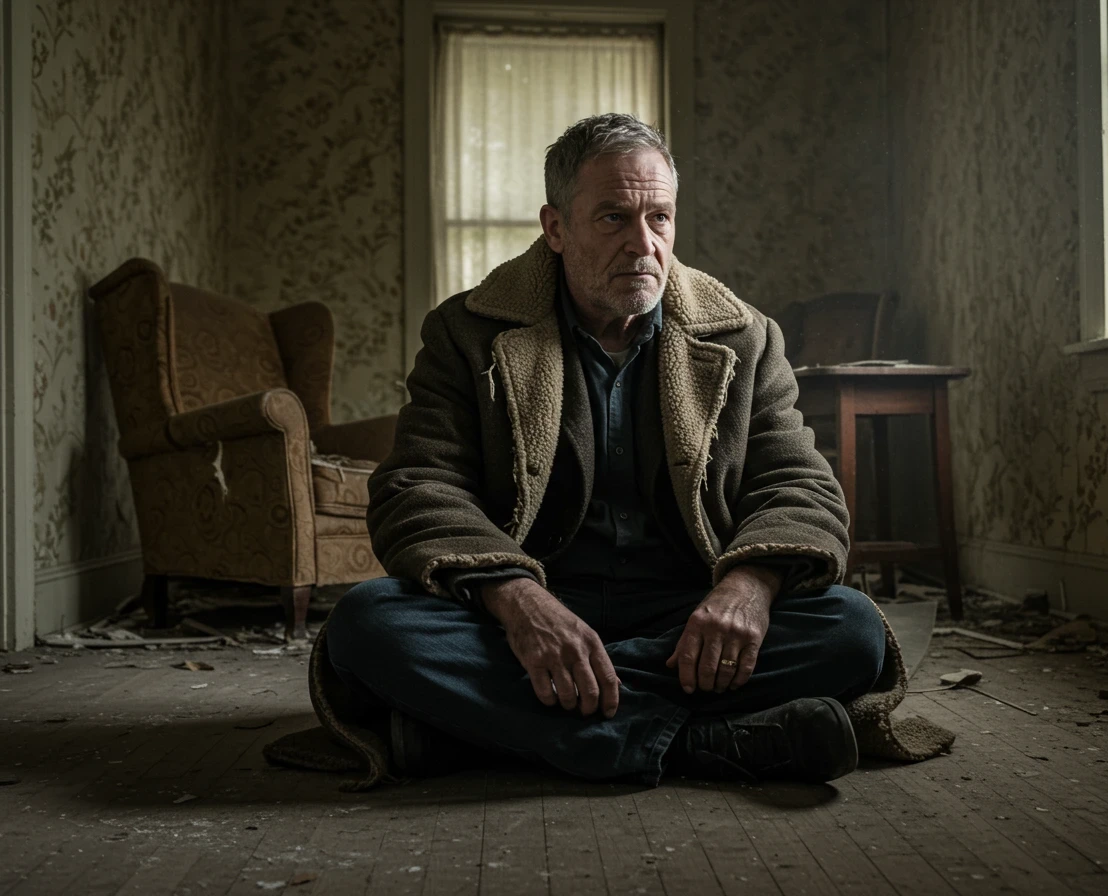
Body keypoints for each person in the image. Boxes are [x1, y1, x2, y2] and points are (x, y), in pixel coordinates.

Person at [313, 113, 895, 789]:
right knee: (366, 624)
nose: (643, 245)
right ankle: (704, 744)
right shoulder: (466, 332)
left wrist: (748, 586)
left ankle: (497, 733)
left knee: (853, 629)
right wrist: (518, 599)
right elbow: (417, 486)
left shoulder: (745, 339)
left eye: (660, 219)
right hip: (528, 609)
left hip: (686, 614)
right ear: (555, 228)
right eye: (614, 218)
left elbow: (799, 484)